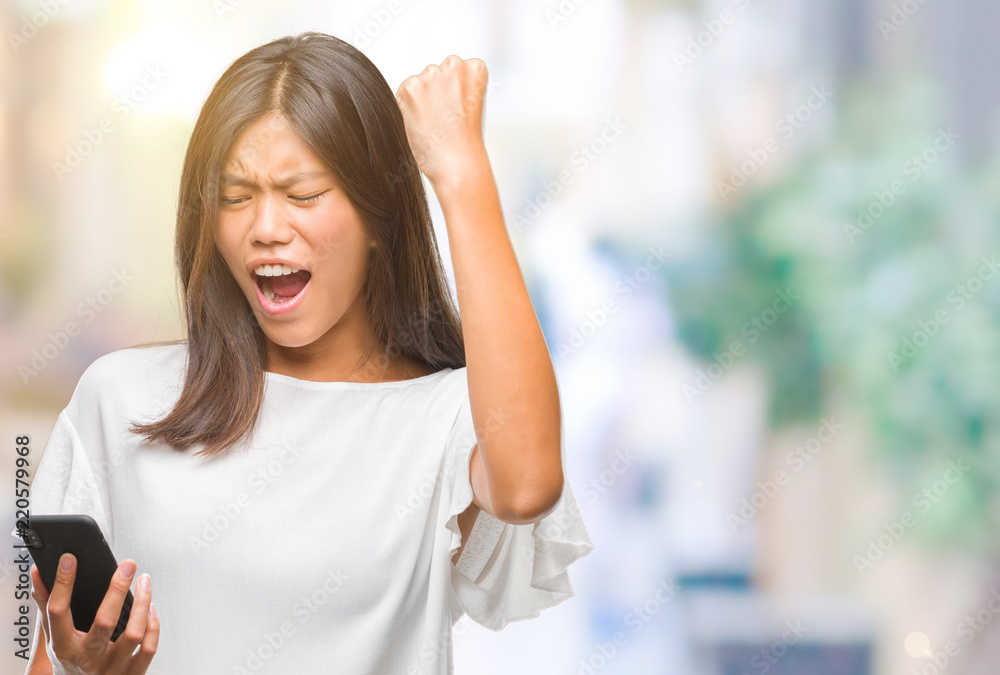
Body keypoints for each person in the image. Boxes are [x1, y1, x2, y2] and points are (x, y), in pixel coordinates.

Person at [23, 31, 593, 674]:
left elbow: (527, 486)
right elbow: (48, 656)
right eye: (236, 197)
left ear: (378, 220)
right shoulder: (122, 398)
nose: (265, 228)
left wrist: (460, 174)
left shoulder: (442, 420)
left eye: (302, 195)